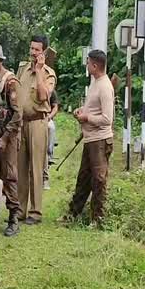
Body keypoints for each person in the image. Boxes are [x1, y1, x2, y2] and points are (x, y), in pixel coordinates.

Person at [64, 49, 115, 226]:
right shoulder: (95, 83)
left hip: (100, 140)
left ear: (94, 65)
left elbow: (107, 119)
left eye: (88, 63)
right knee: (84, 178)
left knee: (99, 180)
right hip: (90, 139)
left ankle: (98, 220)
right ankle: (73, 214)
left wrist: (87, 118)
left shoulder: (105, 87)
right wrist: (82, 112)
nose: (86, 65)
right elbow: (93, 109)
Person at [16, 35, 56, 225]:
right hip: (21, 123)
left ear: (44, 52)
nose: (32, 53)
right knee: (21, 168)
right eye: (31, 48)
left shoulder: (49, 73)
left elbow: (42, 97)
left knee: (36, 168)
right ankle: (20, 210)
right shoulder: (22, 69)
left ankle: (35, 212)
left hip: (38, 123)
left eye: (37, 50)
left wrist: (39, 71)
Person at [0, 44, 23, 237]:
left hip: (8, 136)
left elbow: (18, 114)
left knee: (9, 176)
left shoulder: (10, 82)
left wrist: (6, 138)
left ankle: (14, 217)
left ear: (1, 61)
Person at [43, 89, 59, 190]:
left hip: (47, 118)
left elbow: (55, 107)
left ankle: (50, 152)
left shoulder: (51, 91)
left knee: (51, 128)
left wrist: (49, 116)